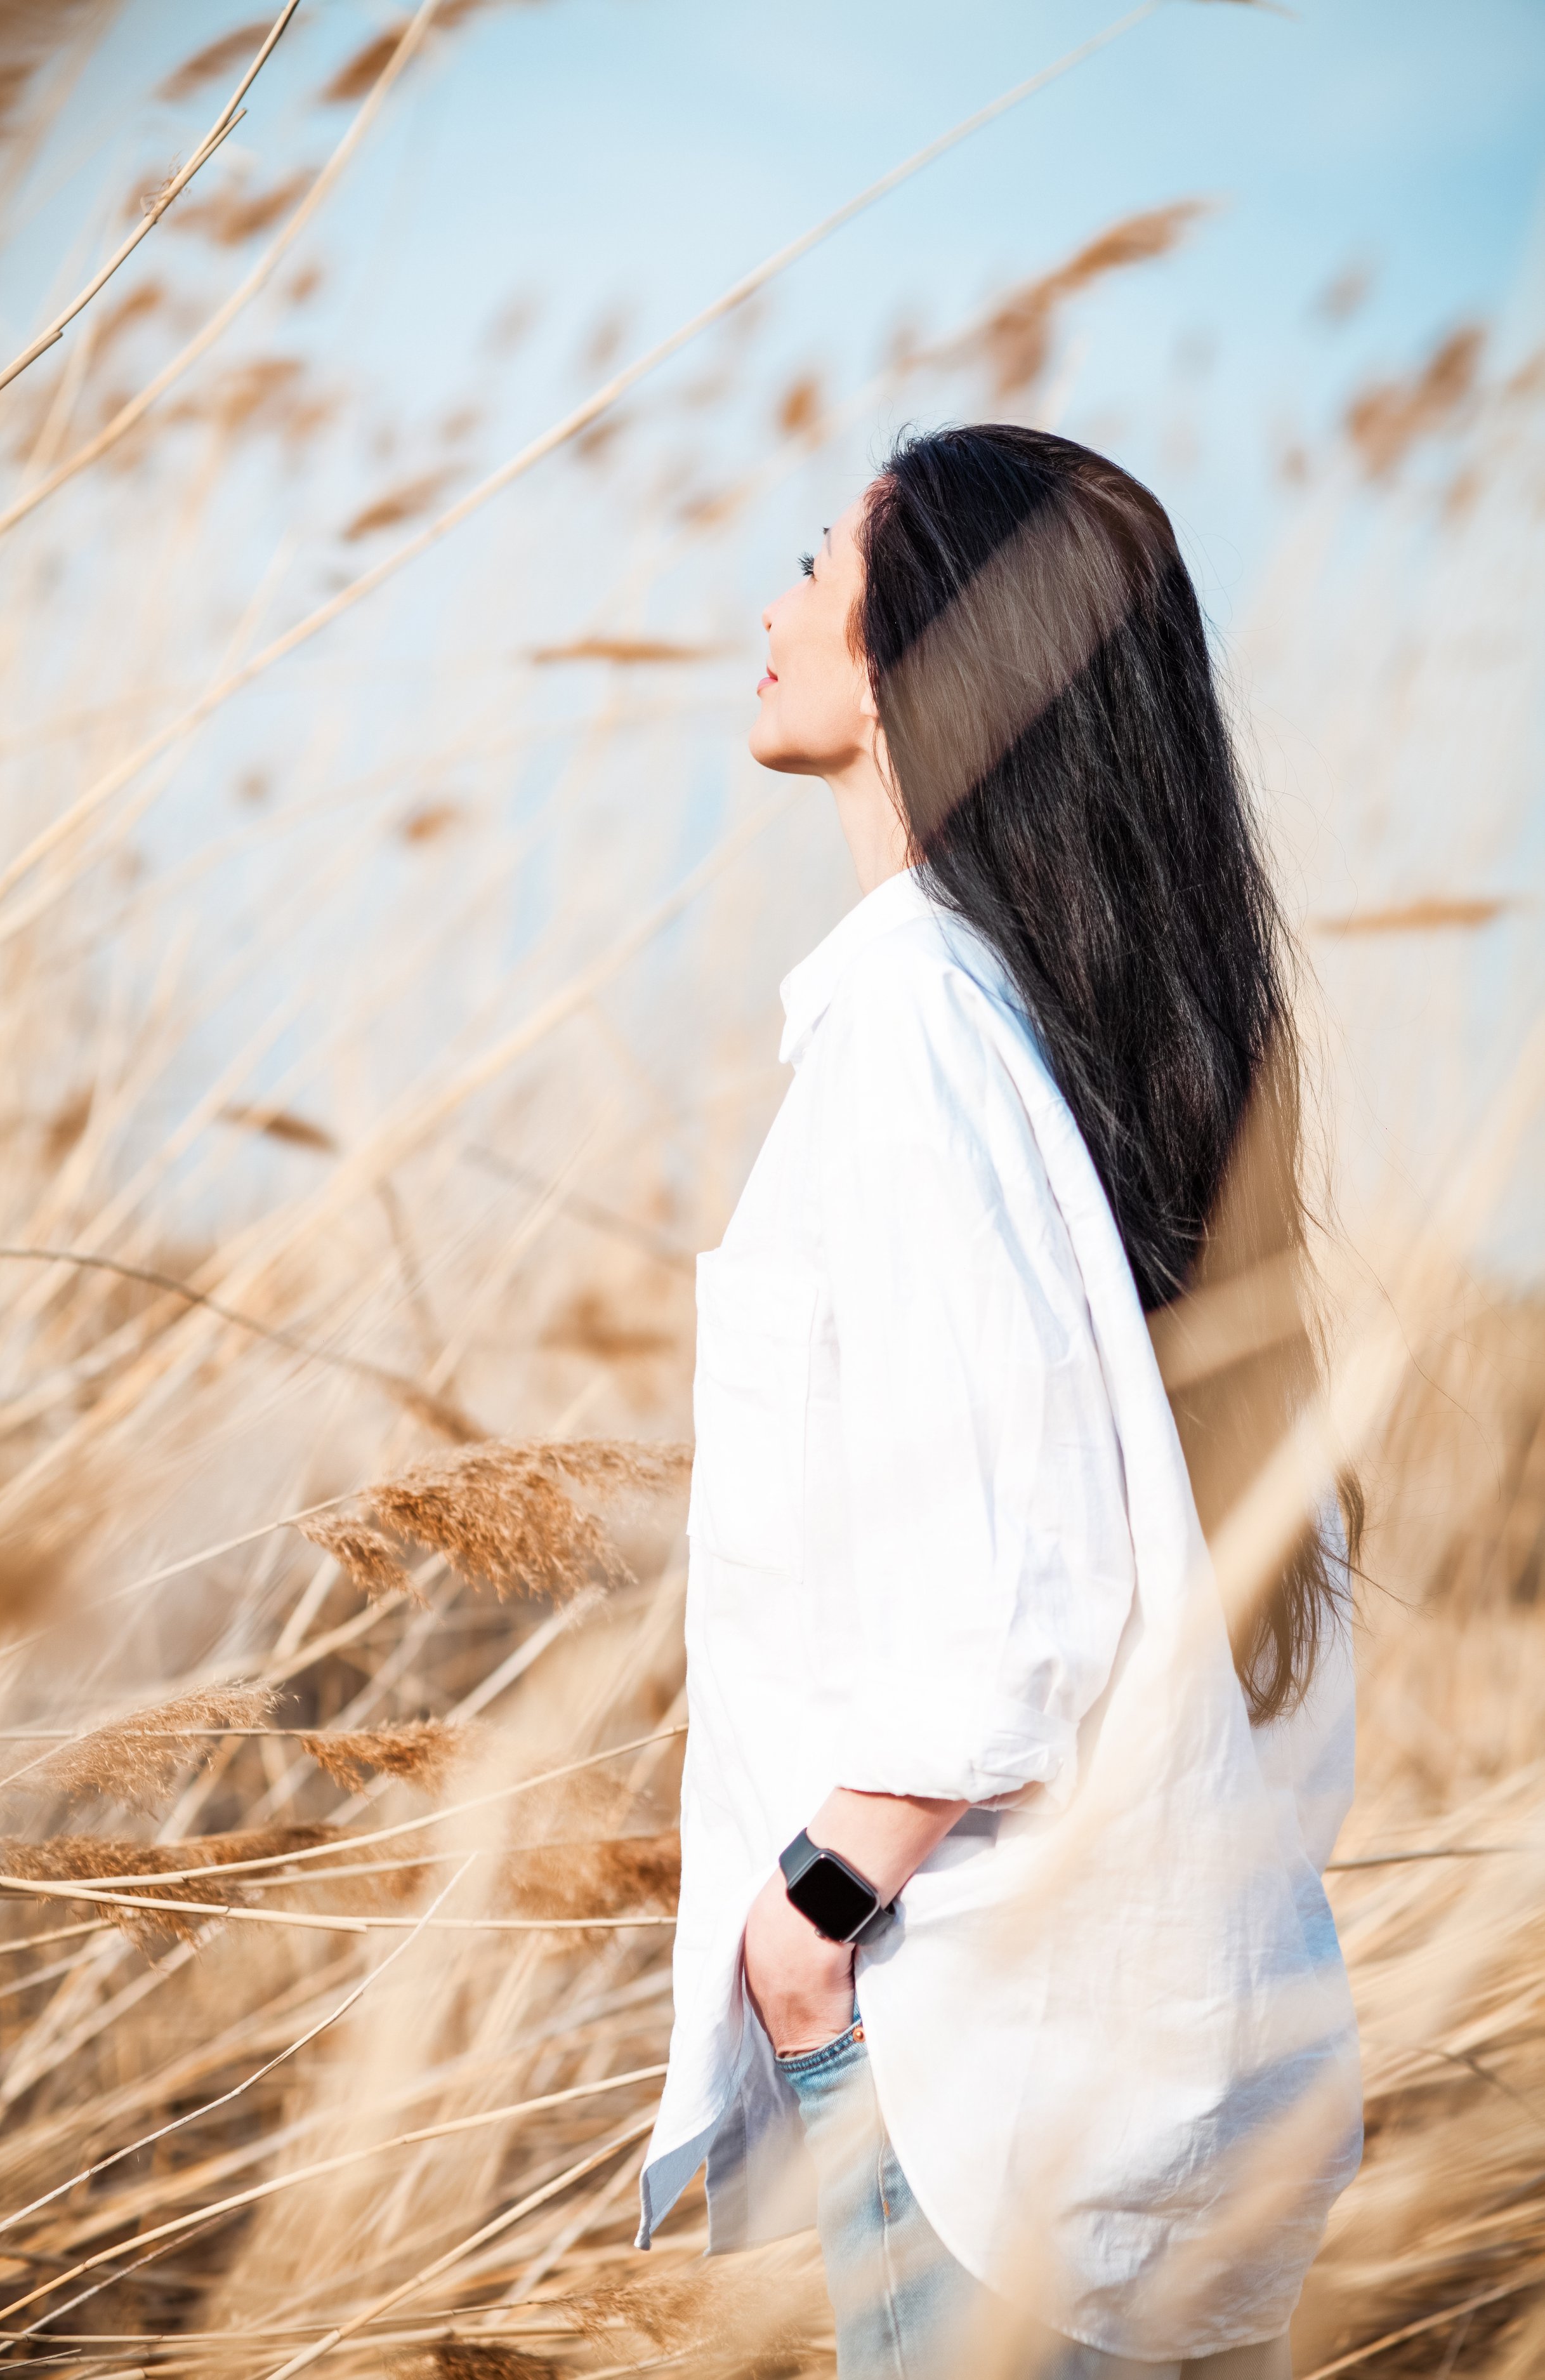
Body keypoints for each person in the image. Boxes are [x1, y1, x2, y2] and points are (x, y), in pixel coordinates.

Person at [636, 425, 1362, 2379]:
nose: (773, 608)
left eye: (816, 565)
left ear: (916, 656)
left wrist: (808, 1922)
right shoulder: (1107, 1030)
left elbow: (998, 1598)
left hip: (1001, 2078)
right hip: (1208, 2070)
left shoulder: (914, 1026)